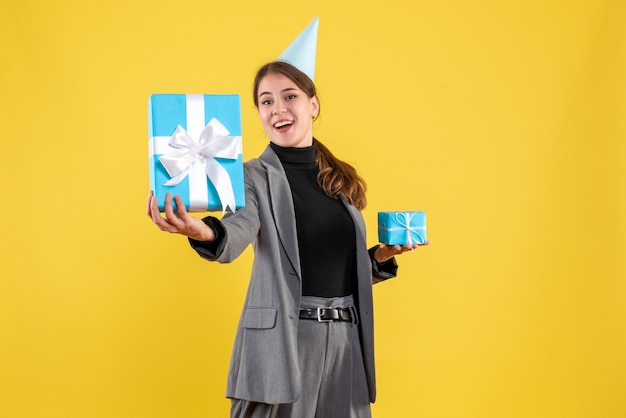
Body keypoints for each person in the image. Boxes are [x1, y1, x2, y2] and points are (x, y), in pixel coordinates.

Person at [147, 61, 426, 418]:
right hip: (284, 345)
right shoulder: (251, 175)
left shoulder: (339, 180)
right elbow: (237, 227)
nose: (277, 109)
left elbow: (333, 266)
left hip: (346, 345)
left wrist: (382, 256)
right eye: (266, 101)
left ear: (313, 105)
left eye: (289, 96)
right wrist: (201, 231)